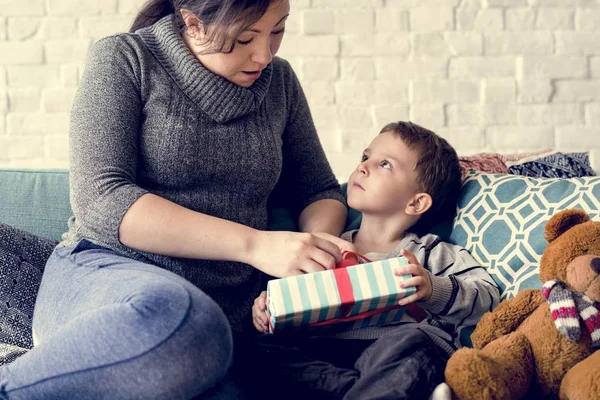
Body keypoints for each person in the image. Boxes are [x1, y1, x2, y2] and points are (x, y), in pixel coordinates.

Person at [0, 0, 349, 398]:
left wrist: (311, 259)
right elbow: (102, 197)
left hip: (225, 322)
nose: (265, 54)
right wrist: (255, 245)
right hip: (105, 275)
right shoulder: (125, 57)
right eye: (245, 37)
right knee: (183, 321)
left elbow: (319, 190)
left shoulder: (280, 82)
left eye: (278, 30)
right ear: (193, 24)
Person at [251, 121, 501, 400]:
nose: (363, 167)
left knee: (416, 343)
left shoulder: (429, 252)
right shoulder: (323, 248)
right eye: (365, 157)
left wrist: (432, 288)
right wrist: (268, 307)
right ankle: (361, 389)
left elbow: (488, 298)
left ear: (416, 203)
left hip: (396, 349)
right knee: (254, 349)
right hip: (327, 353)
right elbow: (294, 296)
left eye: (385, 164)